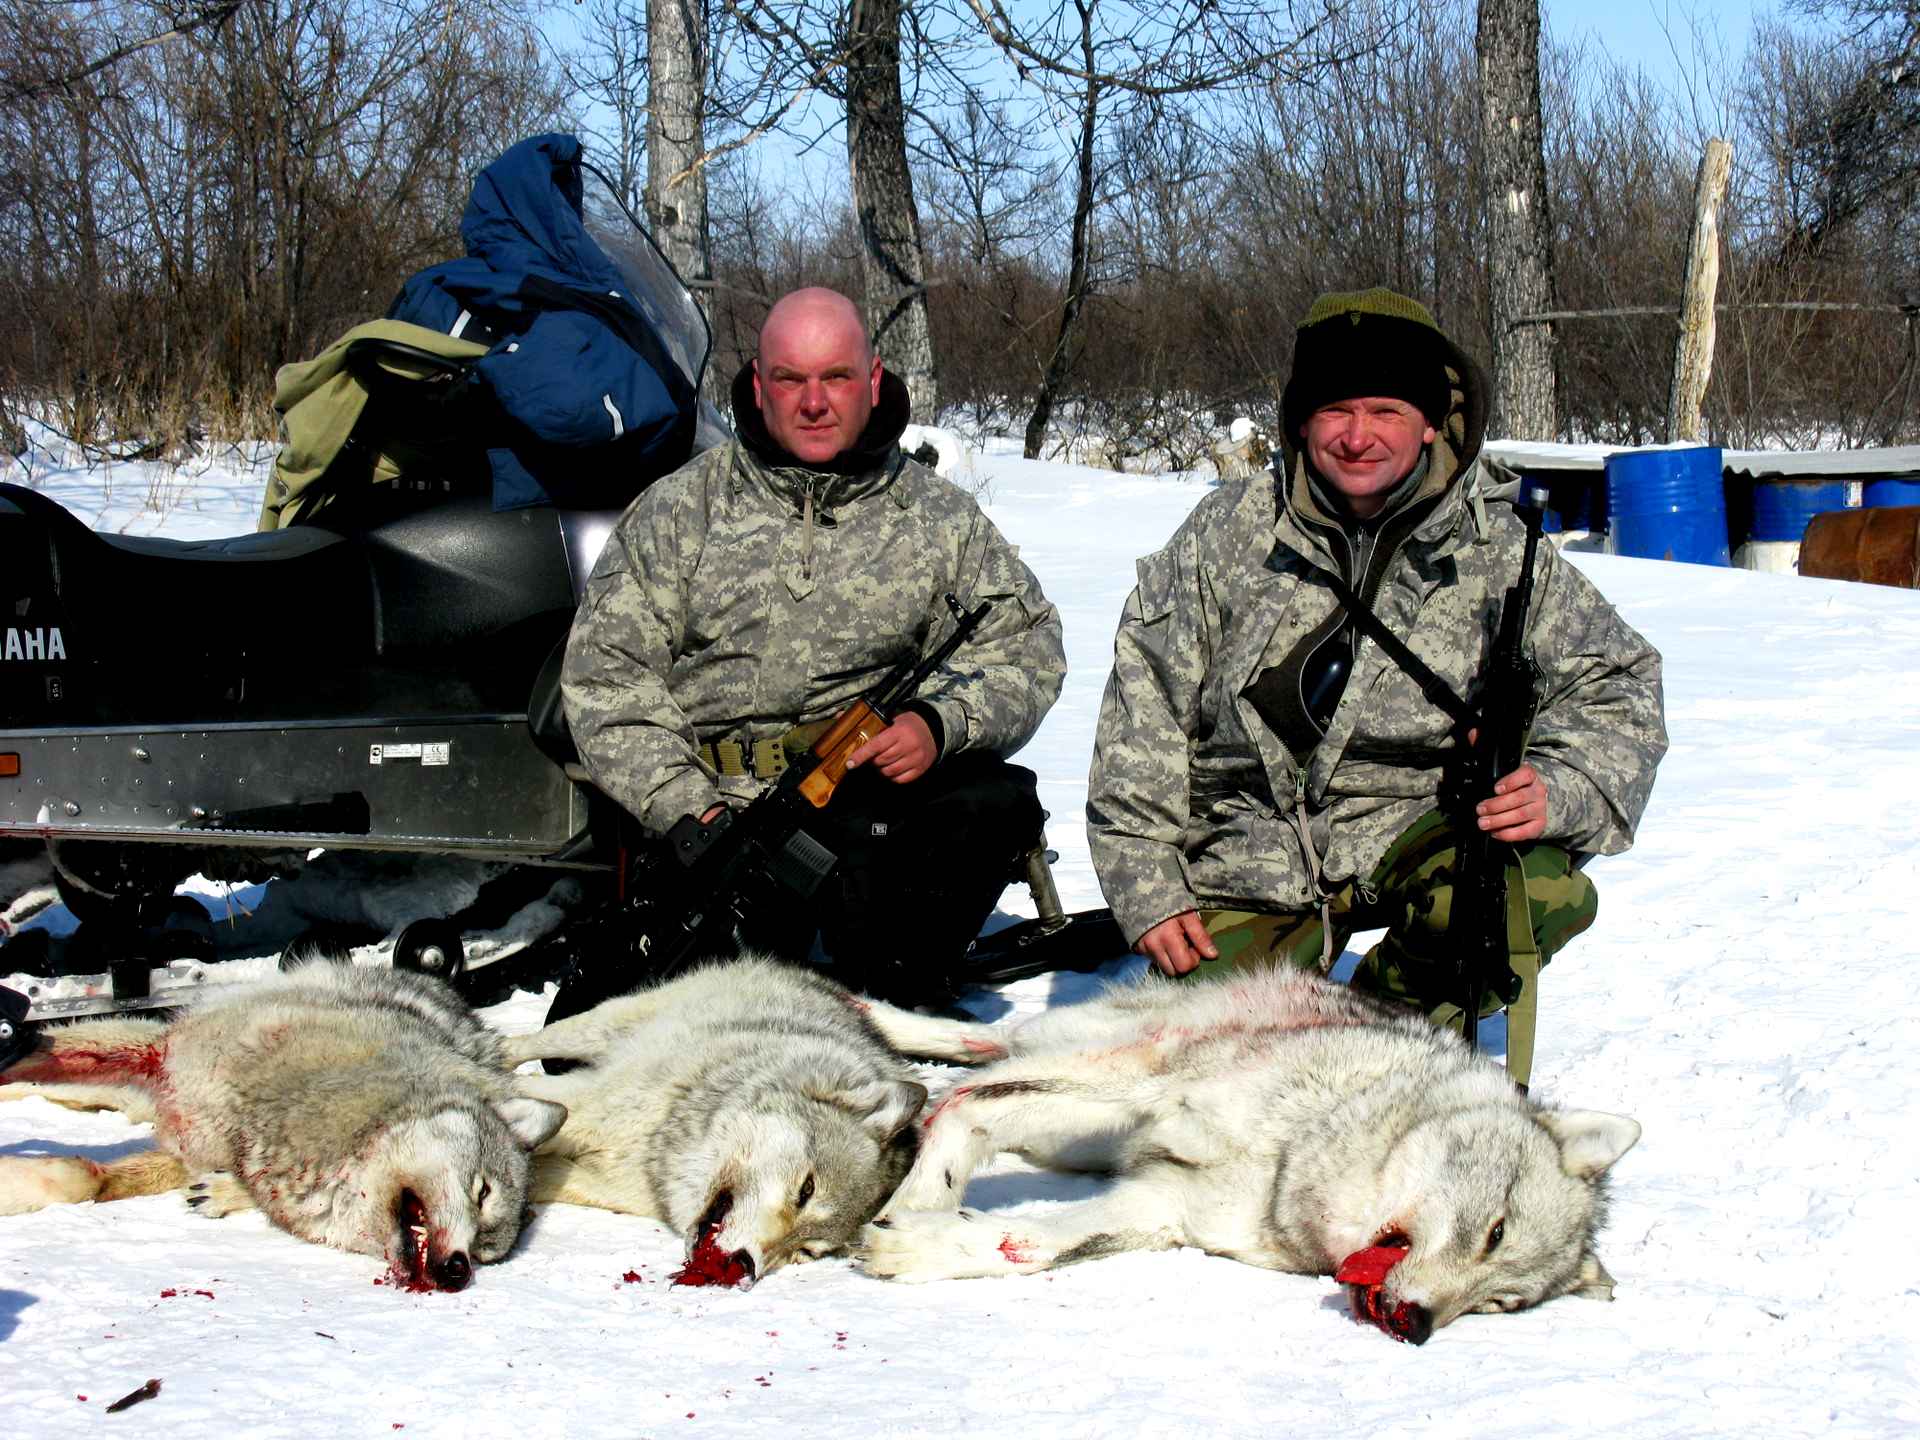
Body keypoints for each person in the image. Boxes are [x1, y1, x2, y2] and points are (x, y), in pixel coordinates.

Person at [1085, 287, 1667, 1084]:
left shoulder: (1503, 549)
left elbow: (1620, 682)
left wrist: (1561, 786)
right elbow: (1143, 703)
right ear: (1299, 420)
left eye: (1387, 410)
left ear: (1433, 419)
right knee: (1197, 1065)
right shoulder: (1224, 537)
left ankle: (1389, 1025)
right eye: (1336, 410)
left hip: (1419, 830)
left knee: (1517, 898)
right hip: (1250, 844)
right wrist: (1147, 882)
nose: (1358, 438)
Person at [562, 287, 1067, 1004]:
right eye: (792, 379)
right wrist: (686, 807)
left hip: (861, 810)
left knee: (991, 805)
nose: (814, 402)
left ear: (873, 379)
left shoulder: (936, 516)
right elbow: (604, 679)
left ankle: (892, 987)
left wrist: (937, 723)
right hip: (712, 823)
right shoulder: (683, 509)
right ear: (760, 388)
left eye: (834, 376)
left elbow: (1027, 644)